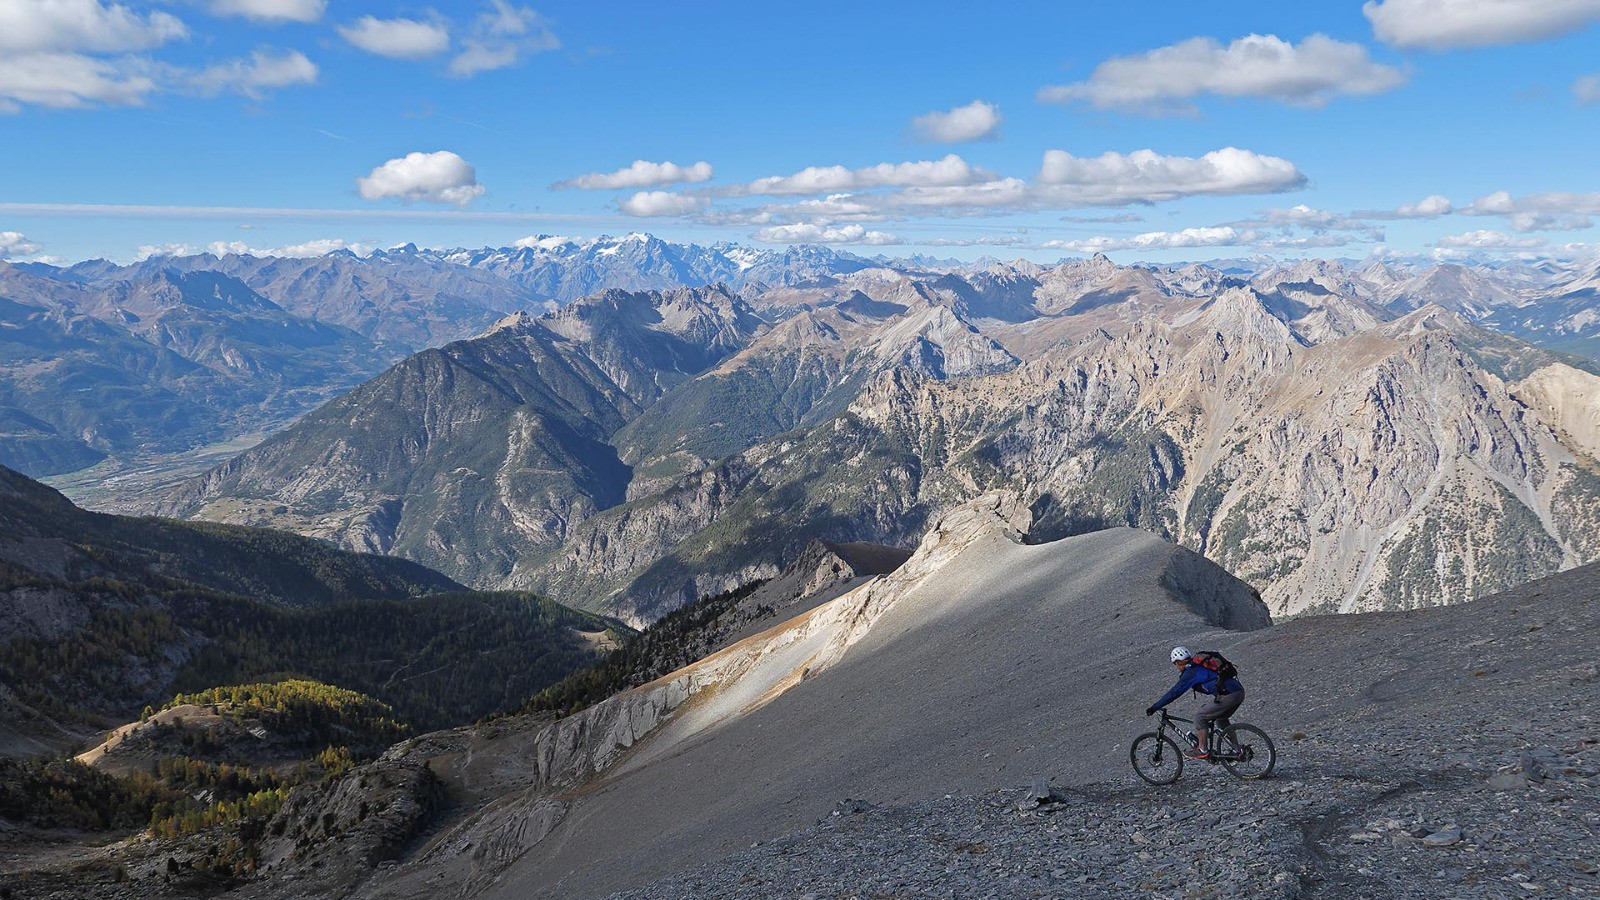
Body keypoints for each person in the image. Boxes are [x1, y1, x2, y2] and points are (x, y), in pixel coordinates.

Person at [1144, 645, 1244, 759]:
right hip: (1238, 691)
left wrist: (1155, 707)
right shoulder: (1197, 666)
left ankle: (1202, 749)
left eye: (1175, 664)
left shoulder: (1190, 672)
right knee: (1221, 719)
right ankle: (1237, 750)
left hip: (1229, 695)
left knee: (1200, 716)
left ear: (1177, 662)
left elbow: (1174, 693)